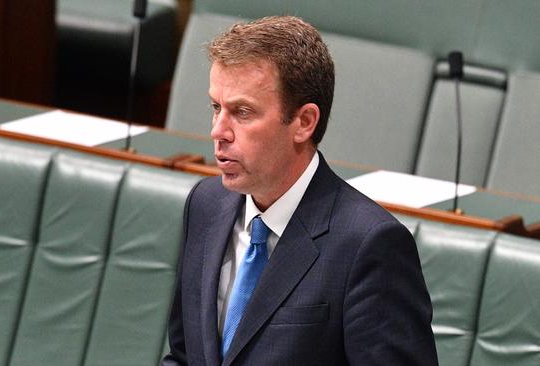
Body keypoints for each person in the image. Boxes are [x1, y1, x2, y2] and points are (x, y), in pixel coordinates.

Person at [162, 15, 438, 365]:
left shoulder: (368, 245)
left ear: (304, 122)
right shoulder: (205, 205)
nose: (219, 130)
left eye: (242, 112)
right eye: (216, 107)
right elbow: (185, 356)